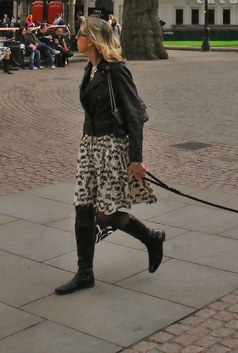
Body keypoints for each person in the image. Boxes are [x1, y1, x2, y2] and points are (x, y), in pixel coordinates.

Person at [55, 16, 164, 295]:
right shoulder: (90, 69)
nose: (74, 38)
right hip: (90, 145)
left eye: (79, 34)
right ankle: (84, 273)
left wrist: (136, 160)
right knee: (82, 206)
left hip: (112, 148)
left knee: (106, 214)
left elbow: (135, 116)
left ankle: (151, 238)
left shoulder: (116, 71)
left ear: (91, 40)